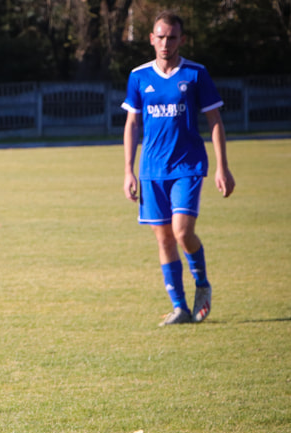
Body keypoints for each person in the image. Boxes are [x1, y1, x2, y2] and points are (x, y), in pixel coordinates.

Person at [122, 10, 235, 326]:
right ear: (151, 39)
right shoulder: (139, 76)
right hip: (152, 170)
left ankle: (201, 283)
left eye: (172, 37)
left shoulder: (196, 74)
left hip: (187, 165)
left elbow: (215, 121)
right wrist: (129, 170)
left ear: (181, 40)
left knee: (183, 232)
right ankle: (180, 308)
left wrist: (222, 168)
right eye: (160, 36)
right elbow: (132, 123)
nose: (166, 43)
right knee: (164, 239)